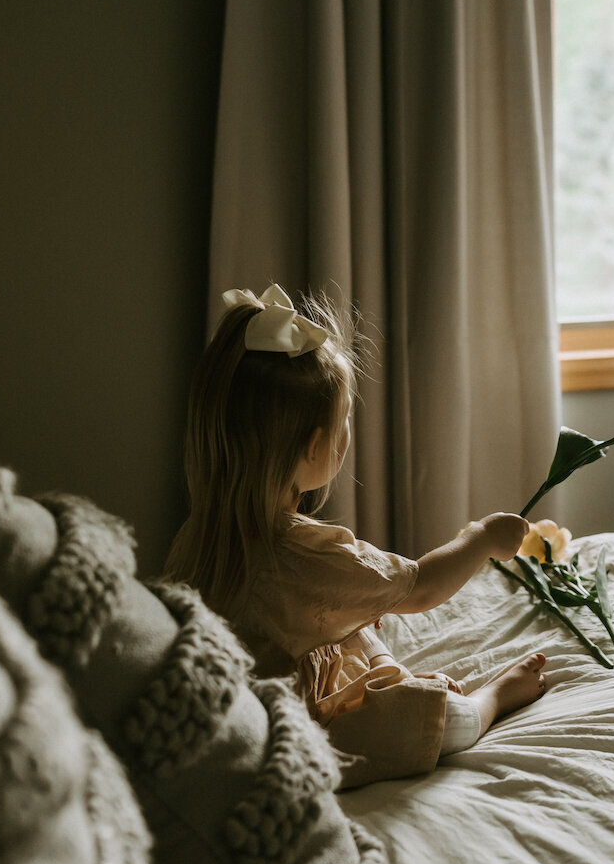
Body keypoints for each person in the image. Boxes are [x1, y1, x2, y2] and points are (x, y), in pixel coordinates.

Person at [164, 283, 547, 787]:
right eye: (343, 420)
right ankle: (493, 698)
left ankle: (391, 676)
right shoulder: (305, 552)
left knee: (359, 625)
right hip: (288, 734)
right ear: (314, 448)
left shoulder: (197, 535)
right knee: (436, 722)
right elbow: (422, 586)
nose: (348, 431)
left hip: (238, 711)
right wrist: (482, 538)